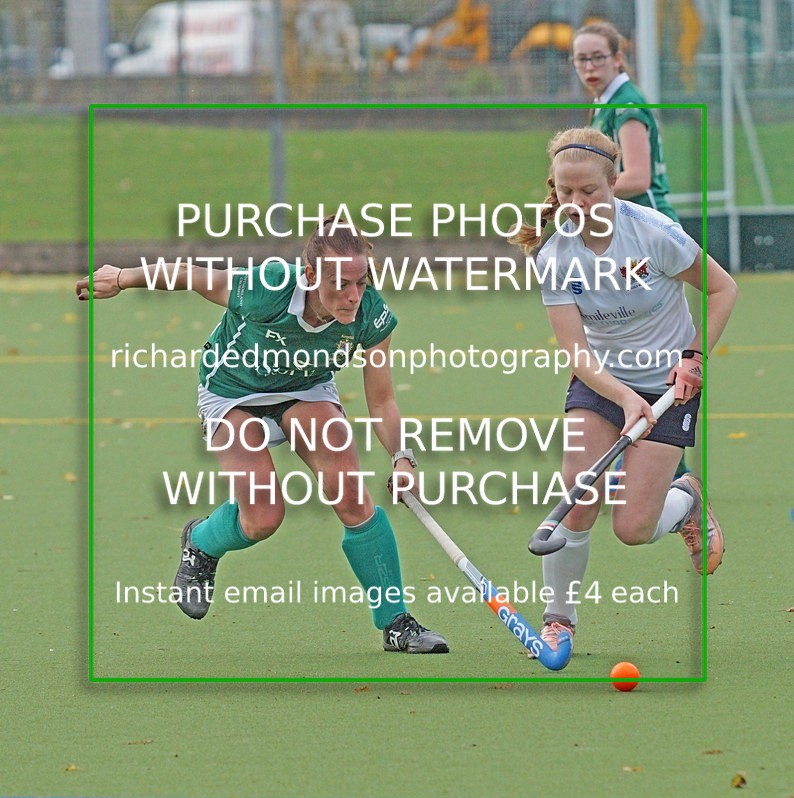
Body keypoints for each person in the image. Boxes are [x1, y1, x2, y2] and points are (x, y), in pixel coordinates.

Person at [75, 215, 449, 655]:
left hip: (305, 390)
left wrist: (402, 458)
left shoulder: (370, 315)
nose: (353, 296)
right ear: (310, 275)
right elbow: (192, 276)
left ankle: (396, 623)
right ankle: (201, 543)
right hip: (233, 392)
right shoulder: (268, 287)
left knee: (351, 495)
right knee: (263, 519)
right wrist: (122, 277)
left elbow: (382, 402)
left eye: (361, 282)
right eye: (340, 284)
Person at [510, 127, 738, 654]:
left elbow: (723, 289)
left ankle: (685, 500)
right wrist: (622, 396)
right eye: (566, 191)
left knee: (633, 528)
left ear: (614, 183)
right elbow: (576, 353)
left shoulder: (654, 233)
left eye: (589, 191)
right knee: (578, 498)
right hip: (601, 383)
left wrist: (694, 358)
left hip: (670, 386)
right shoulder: (554, 255)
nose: (577, 203)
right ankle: (559, 622)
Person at [571, 19, 690, 483]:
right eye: (581, 59)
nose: (589, 67)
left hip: (649, 240)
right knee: (624, 347)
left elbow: (636, 176)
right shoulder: (604, 103)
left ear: (618, 59)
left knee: (647, 355)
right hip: (623, 240)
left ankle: (672, 476)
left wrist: (582, 197)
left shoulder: (627, 106)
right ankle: (660, 469)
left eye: (598, 57)